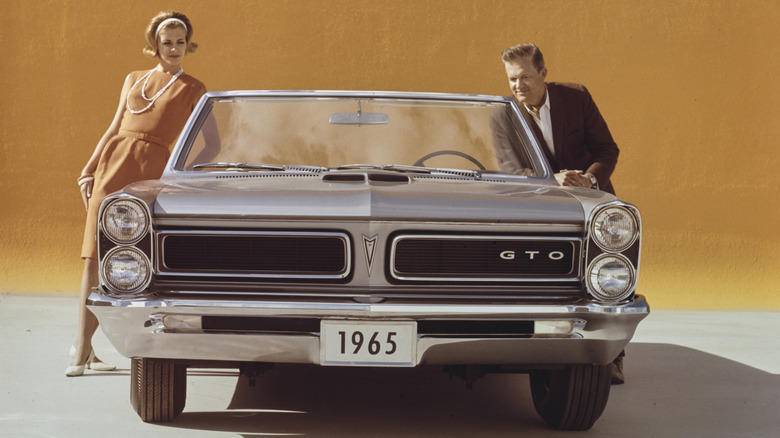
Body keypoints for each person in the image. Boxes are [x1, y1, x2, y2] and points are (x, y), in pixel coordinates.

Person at [67, 11, 206, 377]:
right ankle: (82, 348)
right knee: (93, 257)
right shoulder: (133, 79)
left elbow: (210, 144)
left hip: (150, 173)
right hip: (112, 164)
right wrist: (89, 168)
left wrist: (180, 175)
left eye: (180, 42)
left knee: (131, 260)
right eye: (166, 42)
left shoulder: (194, 88)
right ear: (155, 45)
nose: (174, 48)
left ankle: (91, 349)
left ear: (187, 44)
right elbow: (114, 127)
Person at [496, 43, 625, 383]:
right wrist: (550, 179)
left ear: (543, 73)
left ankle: (611, 359)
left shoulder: (576, 97)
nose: (518, 85)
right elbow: (508, 168)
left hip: (590, 198)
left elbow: (607, 148)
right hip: (536, 206)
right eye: (512, 79)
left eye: (525, 76)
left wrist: (590, 179)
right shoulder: (503, 113)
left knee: (604, 276)